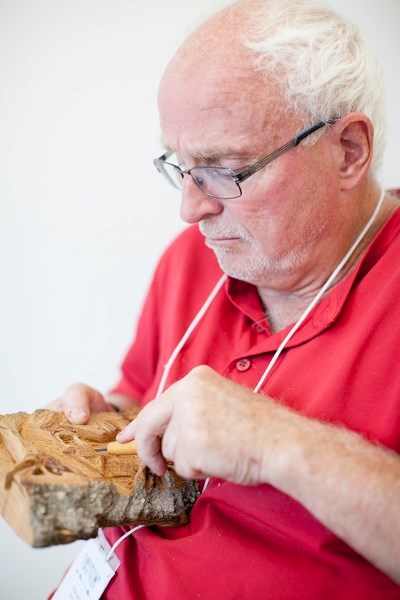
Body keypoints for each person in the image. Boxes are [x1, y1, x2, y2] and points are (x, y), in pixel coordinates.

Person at [48, 0, 400, 597]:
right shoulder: (197, 256)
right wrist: (109, 420)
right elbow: (139, 394)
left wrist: (274, 443)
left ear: (348, 151)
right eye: (179, 166)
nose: (190, 209)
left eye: (227, 168)